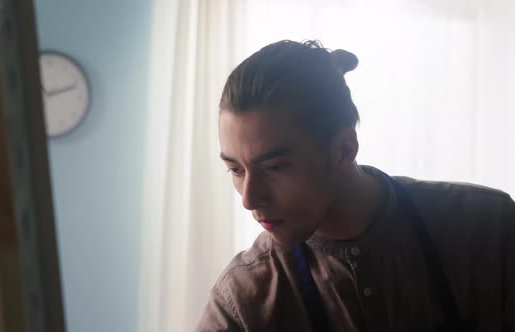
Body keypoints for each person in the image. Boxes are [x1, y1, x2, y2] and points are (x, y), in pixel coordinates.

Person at [194, 40, 515, 332]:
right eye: (235, 169)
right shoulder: (243, 298)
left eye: (276, 167)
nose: (249, 199)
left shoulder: (489, 229)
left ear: (344, 150)